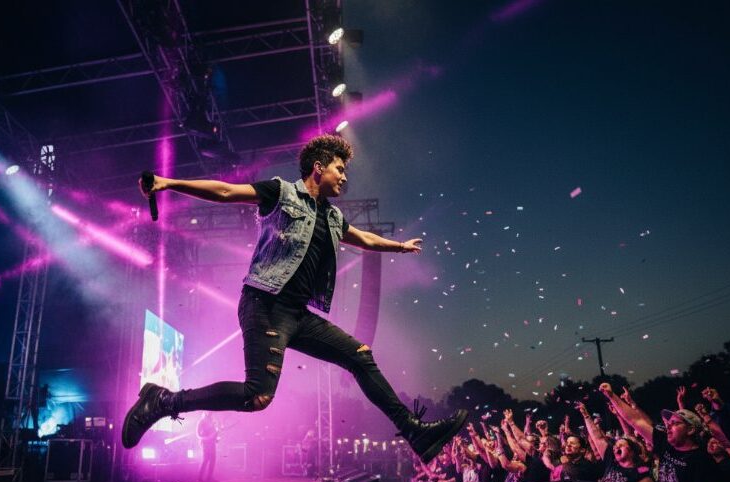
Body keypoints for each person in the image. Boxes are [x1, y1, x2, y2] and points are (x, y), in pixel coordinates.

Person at [122, 135, 469, 463]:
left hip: (298, 315)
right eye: (339, 169)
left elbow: (364, 238)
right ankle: (164, 400)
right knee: (257, 395)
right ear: (318, 167)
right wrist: (167, 183)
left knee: (360, 356)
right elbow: (226, 191)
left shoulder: (333, 217)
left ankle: (414, 431)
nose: (344, 176)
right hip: (264, 303)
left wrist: (400, 247)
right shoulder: (281, 193)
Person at [600, 382, 717, 482]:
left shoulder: (701, 459)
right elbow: (636, 421)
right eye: (669, 423)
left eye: (675, 423)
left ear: (691, 430)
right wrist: (612, 396)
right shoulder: (666, 445)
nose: (668, 426)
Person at [196, 412, 218, 482]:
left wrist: (215, 438)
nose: (211, 414)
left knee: (213, 460)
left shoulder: (212, 422)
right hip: (205, 443)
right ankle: (199, 480)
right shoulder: (201, 421)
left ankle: (209, 478)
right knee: (205, 460)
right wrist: (207, 438)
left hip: (212, 443)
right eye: (209, 412)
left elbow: (214, 433)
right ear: (205, 413)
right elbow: (198, 434)